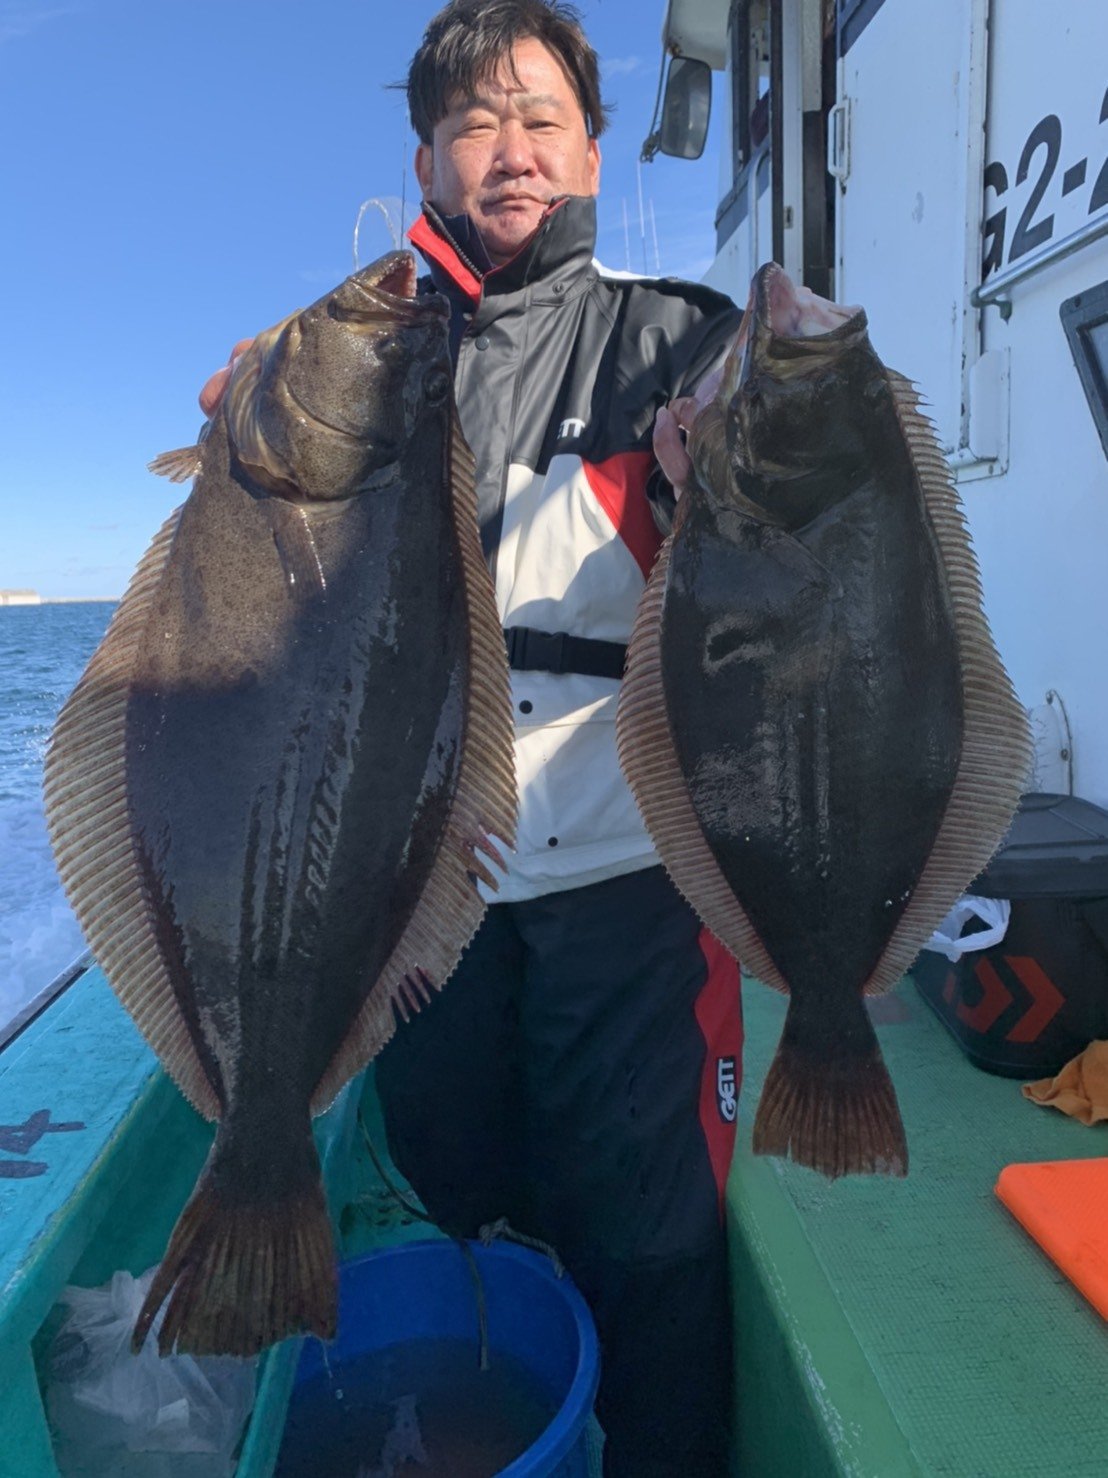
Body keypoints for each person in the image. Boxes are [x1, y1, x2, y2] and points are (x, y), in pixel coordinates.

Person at [202, 4, 745, 1472]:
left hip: (625, 884)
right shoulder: (361, 347)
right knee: (458, 1205)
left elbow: (782, 580)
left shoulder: (684, 341)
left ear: (592, 147)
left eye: (540, 117)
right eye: (475, 122)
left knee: (650, 1233)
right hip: (414, 887)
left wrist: (724, 479)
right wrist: (249, 439)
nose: (510, 148)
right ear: (429, 157)